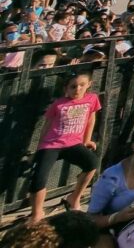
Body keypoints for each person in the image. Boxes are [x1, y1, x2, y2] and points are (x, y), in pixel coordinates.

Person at [29, 72, 101, 222]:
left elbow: (91, 119)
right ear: (66, 89)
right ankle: (37, 213)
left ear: (89, 84)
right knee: (39, 178)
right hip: (52, 144)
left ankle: (75, 197)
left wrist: (87, 140)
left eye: (82, 85)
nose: (78, 89)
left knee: (92, 163)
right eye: (73, 86)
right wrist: (39, 149)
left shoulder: (92, 99)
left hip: (73, 143)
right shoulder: (58, 104)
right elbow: (46, 126)